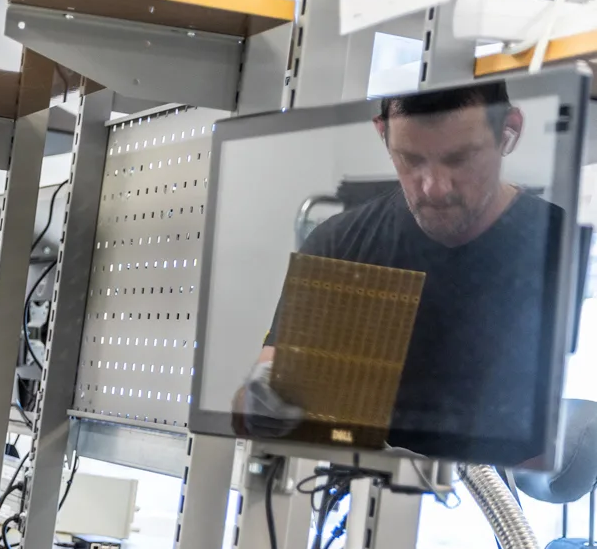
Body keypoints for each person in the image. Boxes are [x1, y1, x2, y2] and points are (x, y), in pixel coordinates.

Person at [240, 82, 563, 460]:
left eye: (460, 158)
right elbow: (265, 389)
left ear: (509, 130)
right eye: (411, 159)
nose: (435, 188)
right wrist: (263, 401)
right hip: (358, 489)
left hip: (499, 494)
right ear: (383, 133)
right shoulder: (340, 247)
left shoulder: (561, 247)